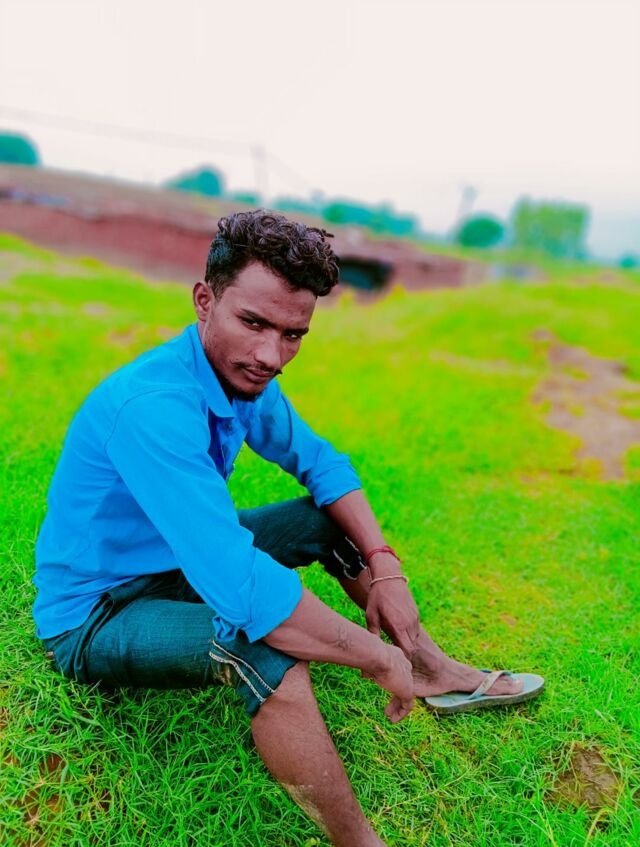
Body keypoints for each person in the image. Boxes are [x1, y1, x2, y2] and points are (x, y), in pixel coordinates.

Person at [33, 210, 543, 847]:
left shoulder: (240, 376)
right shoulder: (153, 407)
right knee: (263, 644)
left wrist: (385, 564)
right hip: (100, 612)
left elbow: (321, 463)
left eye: (292, 334)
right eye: (253, 323)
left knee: (323, 520)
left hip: (175, 564)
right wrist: (373, 655)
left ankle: (431, 670)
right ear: (204, 301)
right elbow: (246, 591)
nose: (271, 356)